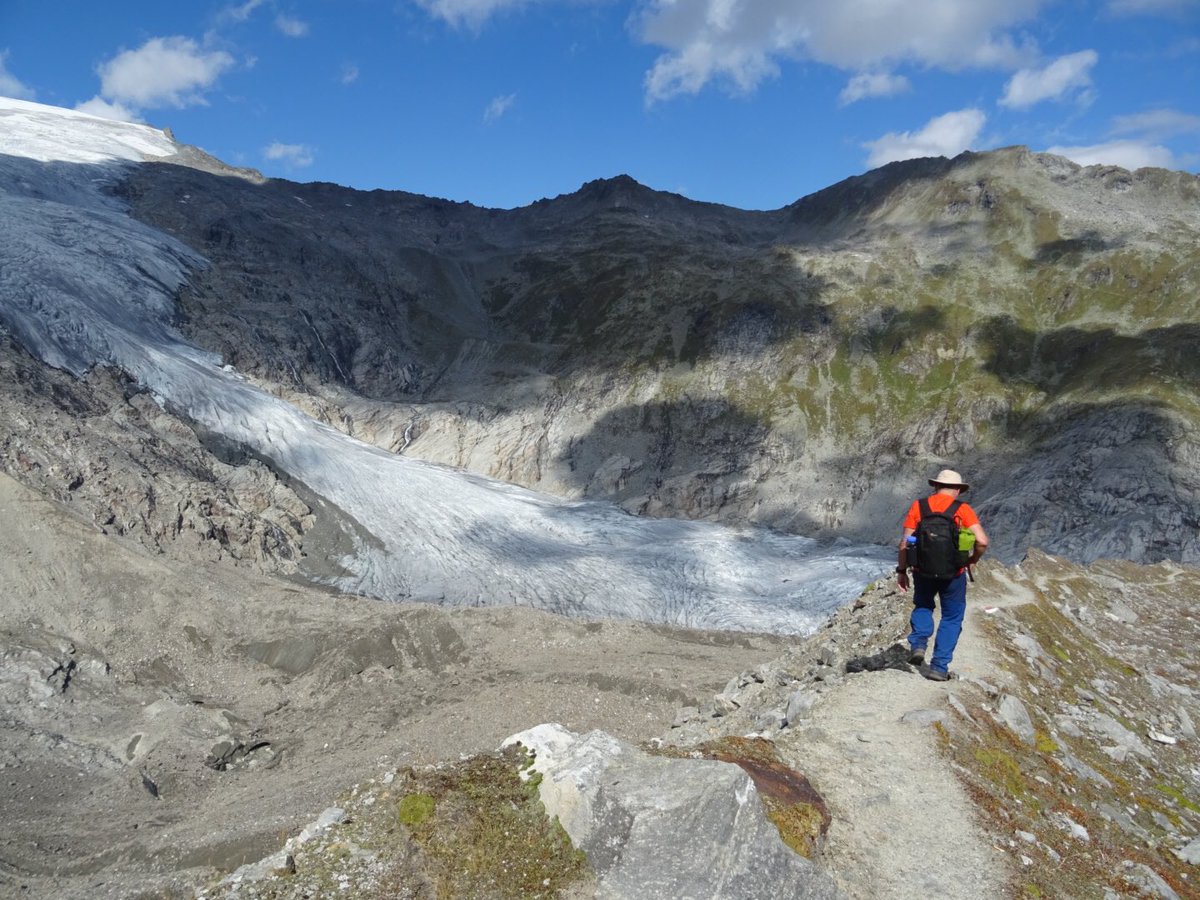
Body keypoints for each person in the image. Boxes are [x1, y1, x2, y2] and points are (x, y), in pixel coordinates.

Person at [896, 469, 989, 681]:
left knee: (923, 605)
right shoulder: (962, 509)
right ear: (957, 490)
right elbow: (982, 541)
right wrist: (972, 559)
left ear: (936, 486)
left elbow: (904, 542)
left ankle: (919, 643)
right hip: (953, 574)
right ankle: (938, 667)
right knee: (952, 617)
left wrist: (902, 571)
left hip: (922, 571)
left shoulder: (919, 506)